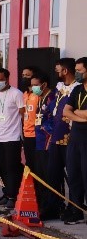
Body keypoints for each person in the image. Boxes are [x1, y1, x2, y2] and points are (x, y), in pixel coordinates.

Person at [45, 58, 78, 220]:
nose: (56, 73)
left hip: (71, 138)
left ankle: (74, 208)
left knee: (73, 176)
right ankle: (54, 206)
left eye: (58, 70)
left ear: (65, 71)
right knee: (53, 174)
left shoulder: (78, 89)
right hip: (55, 137)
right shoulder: (59, 88)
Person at [0, 68, 25, 210]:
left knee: (12, 168)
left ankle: (13, 195)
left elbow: (23, 114)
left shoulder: (16, 94)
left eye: (0, 79)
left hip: (13, 137)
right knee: (1, 168)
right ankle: (6, 193)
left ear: (7, 79)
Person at [62, 57, 87, 224]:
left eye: (80, 71)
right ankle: (77, 210)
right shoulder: (77, 89)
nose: (76, 73)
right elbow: (66, 111)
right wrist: (81, 115)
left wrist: (75, 113)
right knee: (73, 174)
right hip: (76, 137)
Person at [31, 72, 54, 217]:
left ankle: (50, 208)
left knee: (48, 177)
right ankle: (42, 205)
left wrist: (46, 130)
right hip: (38, 141)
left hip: (47, 142)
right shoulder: (40, 98)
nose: (33, 88)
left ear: (44, 84)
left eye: (35, 85)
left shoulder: (51, 98)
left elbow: (54, 119)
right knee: (39, 175)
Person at [21, 66, 39, 174]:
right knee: (29, 164)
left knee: (38, 165)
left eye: (27, 75)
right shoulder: (24, 94)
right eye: (23, 75)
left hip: (37, 135)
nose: (24, 78)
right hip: (26, 134)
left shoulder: (37, 94)